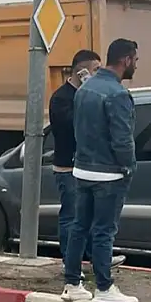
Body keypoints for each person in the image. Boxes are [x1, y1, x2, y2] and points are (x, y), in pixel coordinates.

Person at [61, 38, 140, 302]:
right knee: (104, 231)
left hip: (82, 170)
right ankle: (104, 288)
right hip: (109, 173)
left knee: (79, 227)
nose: (135, 65)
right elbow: (122, 139)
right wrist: (129, 167)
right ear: (126, 60)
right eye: (135, 60)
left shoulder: (85, 89)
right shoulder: (118, 94)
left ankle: (73, 284)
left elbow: (78, 130)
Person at [48, 50, 126, 273]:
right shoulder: (62, 98)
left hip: (88, 165)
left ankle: (98, 258)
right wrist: (85, 91)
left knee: (91, 217)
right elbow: (73, 126)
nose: (98, 74)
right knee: (72, 216)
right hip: (68, 166)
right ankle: (70, 262)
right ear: (81, 71)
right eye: (95, 70)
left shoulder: (89, 95)